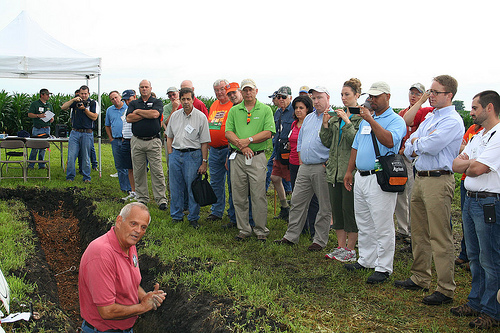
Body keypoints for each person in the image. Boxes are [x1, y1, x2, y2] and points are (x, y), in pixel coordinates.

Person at [396, 75, 464, 304]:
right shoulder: (431, 118)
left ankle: (445, 288)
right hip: (421, 177)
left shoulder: (452, 120)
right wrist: (417, 145)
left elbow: (430, 146)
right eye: (431, 91)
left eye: (435, 92)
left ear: (449, 95)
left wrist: (417, 145)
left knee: (440, 235)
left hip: (438, 180)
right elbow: (409, 145)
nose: (430, 96)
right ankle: (420, 276)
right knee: (419, 231)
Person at [343, 81, 406, 284]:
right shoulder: (364, 121)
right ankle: (367, 259)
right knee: (364, 220)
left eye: (377, 96)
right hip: (361, 176)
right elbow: (356, 146)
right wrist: (349, 171)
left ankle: (384, 267)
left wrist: (371, 120)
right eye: (371, 96)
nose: (372, 100)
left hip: (380, 178)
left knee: (382, 223)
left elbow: (389, 141)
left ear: (388, 96)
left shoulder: (396, 120)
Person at [451, 90, 500, 329]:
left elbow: (478, 169)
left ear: (489, 108)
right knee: (474, 256)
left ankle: (493, 310)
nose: (471, 112)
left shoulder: (499, 135)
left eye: (475, 108)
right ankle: (476, 302)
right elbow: (455, 164)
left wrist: (469, 164)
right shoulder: (479, 136)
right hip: (470, 199)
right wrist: (470, 164)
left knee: (490, 259)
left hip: (489, 202)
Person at [79, 202, 166, 332]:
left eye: (143, 227)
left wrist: (146, 297)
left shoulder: (129, 245)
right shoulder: (102, 254)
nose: (138, 231)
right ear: (119, 221)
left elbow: (131, 284)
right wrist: (142, 307)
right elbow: (106, 311)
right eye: (133, 224)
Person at [275, 86, 333, 251]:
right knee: (297, 201)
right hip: (305, 166)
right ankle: (291, 236)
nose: (316, 101)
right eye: (314, 98)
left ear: (328, 98)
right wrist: (301, 162)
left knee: (323, 205)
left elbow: (336, 141)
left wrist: (330, 161)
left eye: (319, 97)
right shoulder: (309, 118)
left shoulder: (334, 117)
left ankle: (319, 240)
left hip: (322, 166)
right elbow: (300, 142)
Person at [225, 79, 275, 241]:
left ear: (256, 91)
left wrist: (249, 140)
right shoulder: (234, 110)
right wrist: (242, 145)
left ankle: (260, 230)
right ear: (241, 92)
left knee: (258, 195)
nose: (248, 93)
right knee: (238, 195)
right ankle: (244, 229)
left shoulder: (265, 110)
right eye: (245, 90)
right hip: (238, 157)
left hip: (257, 157)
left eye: (250, 90)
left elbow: (268, 132)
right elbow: (228, 132)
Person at [321, 78, 363, 262]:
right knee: (337, 210)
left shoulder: (362, 118)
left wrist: (348, 122)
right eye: (342, 95)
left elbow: (356, 141)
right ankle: (340, 246)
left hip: (349, 172)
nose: (344, 98)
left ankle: (351, 249)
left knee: (349, 210)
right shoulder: (336, 117)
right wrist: (325, 125)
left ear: (357, 95)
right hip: (334, 171)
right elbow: (327, 142)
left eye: (347, 94)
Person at [394, 83, 434, 244]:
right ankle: (403, 229)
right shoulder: (403, 112)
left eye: (418, 94)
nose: (413, 96)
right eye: (412, 93)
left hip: (414, 158)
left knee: (412, 194)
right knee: (400, 194)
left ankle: (412, 230)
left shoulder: (426, 111)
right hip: (401, 157)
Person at [166, 87, 210, 228]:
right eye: (183, 99)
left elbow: (204, 142)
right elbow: (169, 136)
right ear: (180, 99)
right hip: (176, 154)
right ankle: (177, 216)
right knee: (175, 187)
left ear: (193, 99)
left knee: (192, 188)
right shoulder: (175, 116)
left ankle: (193, 217)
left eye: (188, 99)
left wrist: (204, 162)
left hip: (193, 155)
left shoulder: (201, 117)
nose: (185, 102)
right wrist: (170, 154)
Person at [126, 80, 168, 210]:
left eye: (146, 87)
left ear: (150, 88)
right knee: (138, 171)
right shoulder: (134, 103)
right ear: (139, 89)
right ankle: (142, 199)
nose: (144, 89)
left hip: (153, 141)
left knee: (157, 171)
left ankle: (161, 200)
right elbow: (129, 118)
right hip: (137, 141)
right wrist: (146, 114)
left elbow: (156, 114)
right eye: (142, 87)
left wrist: (138, 112)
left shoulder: (157, 102)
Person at [288, 95, 317, 236]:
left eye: (301, 108)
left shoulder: (311, 124)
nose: (298, 111)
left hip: (306, 164)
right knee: (297, 197)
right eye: (296, 108)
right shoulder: (294, 124)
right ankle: (302, 227)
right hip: (293, 163)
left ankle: (313, 228)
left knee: (312, 200)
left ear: (307, 109)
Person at [455, 123, 483, 267]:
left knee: (481, 224)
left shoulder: (492, 133)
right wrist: (472, 156)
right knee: (467, 220)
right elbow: (459, 152)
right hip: (466, 182)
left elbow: (479, 164)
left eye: (475, 108)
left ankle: (476, 259)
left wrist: (469, 156)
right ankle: (465, 254)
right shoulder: (473, 130)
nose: (472, 113)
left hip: (482, 186)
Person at [206, 79, 233, 221]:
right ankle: (216, 211)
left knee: (232, 182)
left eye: (222, 89)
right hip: (214, 150)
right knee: (215, 182)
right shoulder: (214, 105)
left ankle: (233, 212)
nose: (219, 92)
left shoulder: (233, 105)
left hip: (228, 149)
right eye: (216, 90)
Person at [62, 85, 98, 182]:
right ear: (79, 93)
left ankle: (86, 177)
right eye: (82, 93)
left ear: (88, 94)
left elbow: (94, 117)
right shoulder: (76, 102)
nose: (83, 95)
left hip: (87, 133)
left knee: (86, 156)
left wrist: (84, 109)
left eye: (85, 93)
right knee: (71, 156)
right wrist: (73, 100)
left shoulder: (93, 103)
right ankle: (70, 177)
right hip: (75, 132)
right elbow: (63, 107)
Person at [270, 86, 294, 220]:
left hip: (290, 152)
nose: (281, 99)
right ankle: (285, 207)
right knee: (274, 177)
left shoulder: (294, 111)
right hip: (278, 150)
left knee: (293, 181)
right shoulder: (277, 112)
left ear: (290, 98)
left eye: (284, 97)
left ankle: (296, 209)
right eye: (278, 97)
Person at [105, 91, 131, 193]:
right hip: (116, 140)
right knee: (119, 165)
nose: (115, 100)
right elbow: (107, 125)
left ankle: (130, 188)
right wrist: (111, 139)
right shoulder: (109, 110)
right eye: (112, 99)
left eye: (116, 97)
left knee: (128, 165)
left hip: (127, 140)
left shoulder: (128, 108)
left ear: (120, 97)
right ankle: (123, 188)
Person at [27, 88, 54, 169]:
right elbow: (29, 114)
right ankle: (31, 164)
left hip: (47, 128)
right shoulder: (35, 104)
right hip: (38, 128)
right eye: (47, 95)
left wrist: (52, 119)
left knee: (43, 147)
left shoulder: (49, 105)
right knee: (35, 147)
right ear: (42, 95)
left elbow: (52, 116)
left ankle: (41, 164)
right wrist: (38, 115)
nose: (48, 96)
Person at [120, 90, 138, 202]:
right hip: (126, 140)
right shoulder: (126, 110)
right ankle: (133, 191)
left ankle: (140, 192)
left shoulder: (138, 109)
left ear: (134, 97)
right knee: (129, 168)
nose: (127, 102)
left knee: (138, 168)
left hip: (135, 140)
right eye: (125, 100)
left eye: (129, 99)